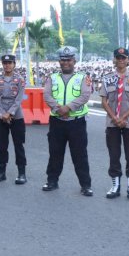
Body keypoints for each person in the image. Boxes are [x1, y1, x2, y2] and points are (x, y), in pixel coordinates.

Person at [42, 46, 94, 196]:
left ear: (74, 61)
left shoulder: (83, 77)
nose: (66, 63)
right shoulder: (52, 78)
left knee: (80, 155)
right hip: (57, 121)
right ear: (59, 61)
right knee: (55, 153)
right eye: (63, 60)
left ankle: (85, 185)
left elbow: (85, 95)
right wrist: (59, 109)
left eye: (69, 60)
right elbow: (47, 95)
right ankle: (52, 181)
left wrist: (68, 108)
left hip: (76, 122)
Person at [100, 48, 129, 202]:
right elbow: (104, 101)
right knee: (114, 155)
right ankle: (115, 186)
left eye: (123, 58)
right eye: (118, 57)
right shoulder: (107, 78)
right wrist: (115, 118)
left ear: (128, 60)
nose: (120, 60)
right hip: (112, 124)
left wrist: (123, 117)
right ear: (114, 59)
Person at [0, 54, 27, 184]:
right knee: (2, 146)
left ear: (14, 64)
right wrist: (2, 114)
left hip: (16, 117)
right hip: (1, 118)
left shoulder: (20, 79)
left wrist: (10, 113)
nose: (7, 65)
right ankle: (2, 172)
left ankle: (21, 173)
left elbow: (19, 99)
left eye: (10, 63)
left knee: (19, 145)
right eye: (5, 63)